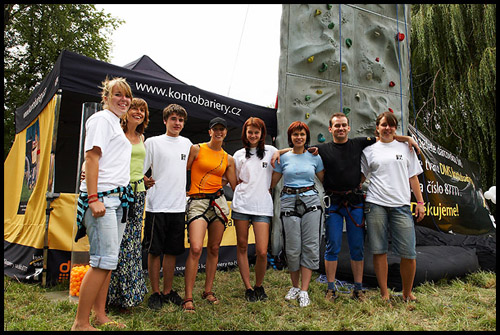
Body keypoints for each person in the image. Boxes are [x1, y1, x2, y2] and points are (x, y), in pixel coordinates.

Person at [272, 112, 419, 303]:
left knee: (357, 247)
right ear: (330, 129)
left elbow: (386, 135)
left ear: (349, 128)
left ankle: (358, 289)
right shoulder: (322, 149)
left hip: (355, 203)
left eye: (344, 125)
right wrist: (279, 152)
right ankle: (331, 289)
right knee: (332, 245)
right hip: (333, 203)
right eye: (337, 126)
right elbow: (297, 148)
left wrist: (406, 137)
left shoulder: (359, 143)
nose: (341, 129)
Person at [71, 77, 133, 331]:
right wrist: (94, 198)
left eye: (127, 96)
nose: (123, 100)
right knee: (102, 261)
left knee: (109, 262)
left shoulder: (116, 124)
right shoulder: (100, 119)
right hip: (103, 199)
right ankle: (80, 323)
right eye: (117, 95)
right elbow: (91, 157)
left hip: (118, 199)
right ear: (105, 98)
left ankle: (100, 315)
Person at [360, 111, 425, 303]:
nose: (387, 128)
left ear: (395, 128)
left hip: (402, 206)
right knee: (379, 251)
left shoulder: (407, 148)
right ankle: (384, 293)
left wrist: (420, 202)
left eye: (391, 125)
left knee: (409, 253)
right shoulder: (369, 150)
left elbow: (413, 176)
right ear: (377, 128)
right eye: (383, 125)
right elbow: (361, 178)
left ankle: (407, 293)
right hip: (376, 204)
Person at [182, 117, 237, 312]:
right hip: (197, 202)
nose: (219, 132)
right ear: (210, 132)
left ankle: (208, 291)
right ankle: (188, 296)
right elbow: (181, 170)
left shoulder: (228, 158)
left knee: (214, 248)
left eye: (222, 129)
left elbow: (235, 183)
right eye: (216, 129)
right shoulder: (196, 149)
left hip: (219, 203)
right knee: (196, 248)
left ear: (226, 132)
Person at [142, 104, 193, 310]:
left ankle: (167, 290)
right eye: (173, 119)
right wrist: (144, 180)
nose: (177, 123)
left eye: (180, 120)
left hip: (178, 206)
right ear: (165, 121)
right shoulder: (153, 143)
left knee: (172, 251)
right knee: (155, 251)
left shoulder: (187, 143)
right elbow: (139, 169)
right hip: (156, 206)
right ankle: (155, 293)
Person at [270, 121, 325, 308]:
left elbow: (325, 179)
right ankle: (294, 286)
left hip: (311, 201)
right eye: (295, 134)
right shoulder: (283, 158)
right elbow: (272, 183)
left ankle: (304, 290)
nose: (299, 137)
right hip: (288, 201)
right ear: (290, 137)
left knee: (310, 245)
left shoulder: (314, 157)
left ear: (306, 137)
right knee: (292, 247)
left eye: (302, 134)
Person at [106, 98, 150, 312]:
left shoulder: (142, 137)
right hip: (118, 192)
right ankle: (111, 296)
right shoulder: (116, 132)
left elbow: (136, 165)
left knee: (132, 245)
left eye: (142, 110)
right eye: (134, 108)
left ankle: (128, 297)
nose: (138, 112)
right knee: (117, 244)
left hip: (139, 193)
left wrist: (143, 178)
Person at [231, 117, 278, 302]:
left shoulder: (271, 151)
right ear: (245, 133)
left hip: (262, 206)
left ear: (261, 134)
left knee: (262, 251)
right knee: (242, 246)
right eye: (250, 132)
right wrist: (239, 189)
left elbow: (285, 157)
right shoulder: (238, 154)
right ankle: (248, 288)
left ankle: (259, 285)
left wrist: (270, 186)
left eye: (256, 132)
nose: (253, 135)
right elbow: (232, 178)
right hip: (242, 205)